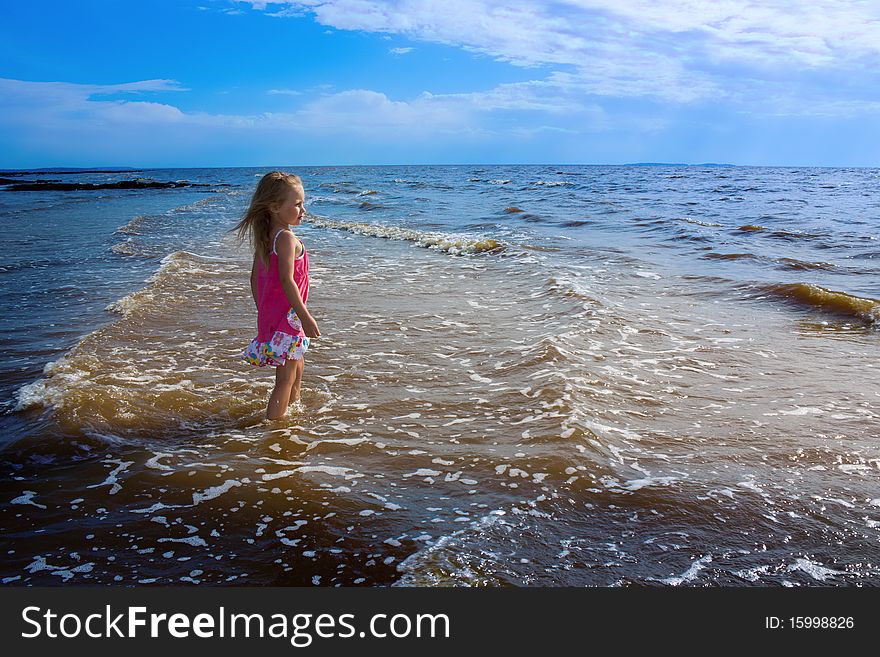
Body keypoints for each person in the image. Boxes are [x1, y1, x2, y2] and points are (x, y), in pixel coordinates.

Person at [232, 171, 320, 419]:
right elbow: (287, 279)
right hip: (290, 317)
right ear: (274, 207)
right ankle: (274, 429)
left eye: (303, 203)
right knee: (285, 377)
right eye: (297, 204)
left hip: (277, 315)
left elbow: (254, 278)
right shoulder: (286, 238)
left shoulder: (266, 236)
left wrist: (264, 310)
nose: (303, 209)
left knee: (297, 366)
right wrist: (305, 317)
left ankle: (293, 409)